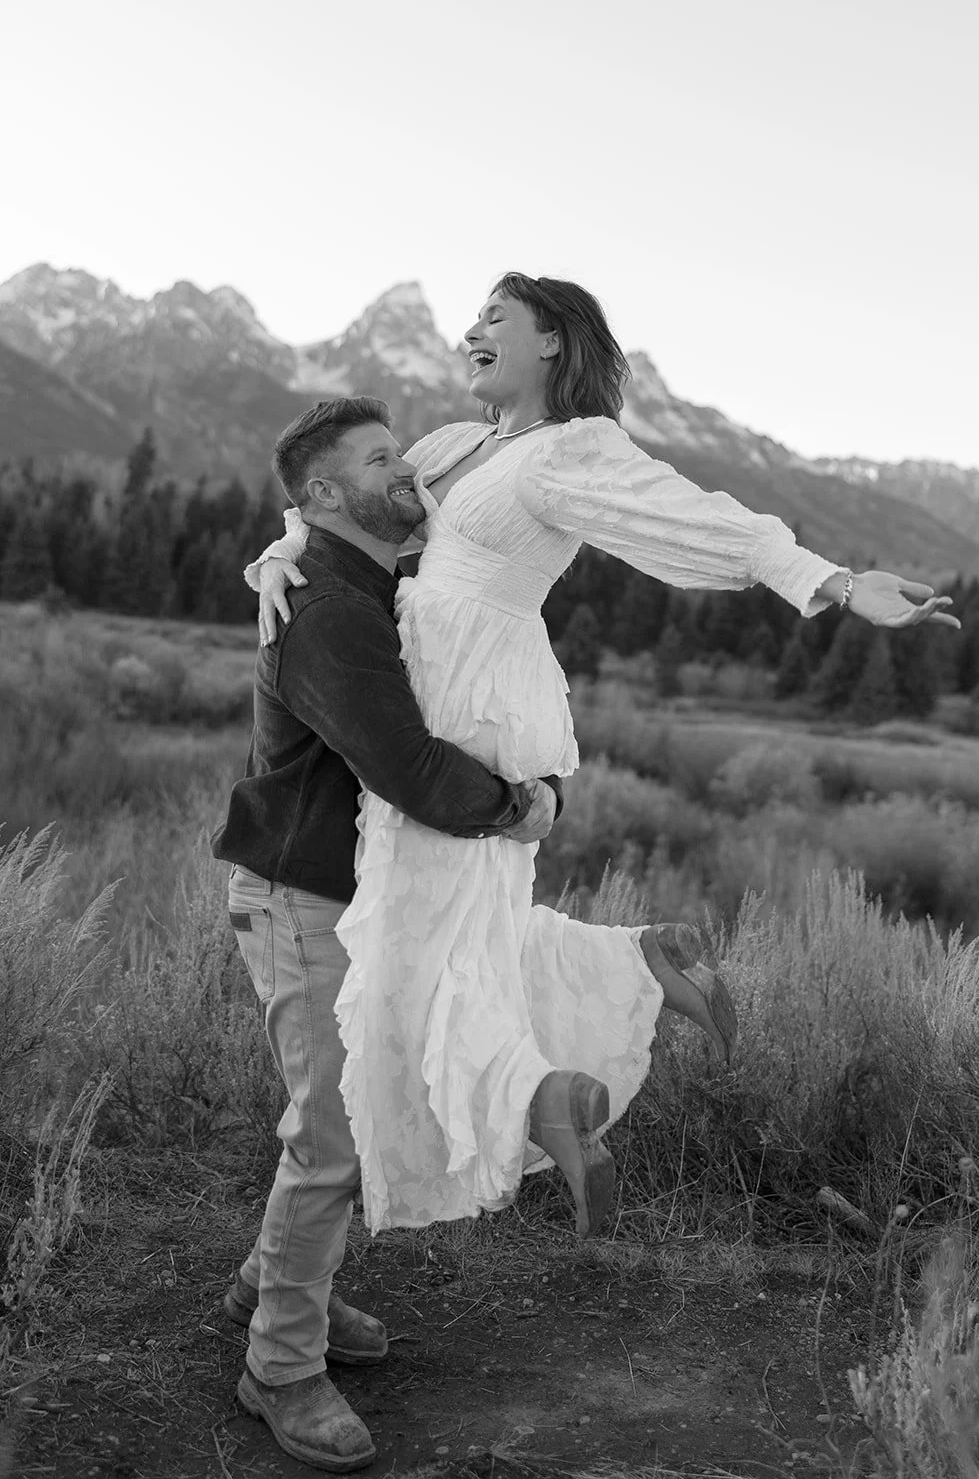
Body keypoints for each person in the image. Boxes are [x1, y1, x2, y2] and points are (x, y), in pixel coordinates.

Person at [253, 273, 959, 1252]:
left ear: (550, 342)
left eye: (493, 319)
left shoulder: (565, 451)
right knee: (455, 935)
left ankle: (536, 1101)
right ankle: (628, 968)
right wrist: (281, 557)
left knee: (416, 948)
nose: (470, 332)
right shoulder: (454, 448)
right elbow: (341, 513)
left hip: (470, 706)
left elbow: (690, 518)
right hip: (436, 687)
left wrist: (830, 581)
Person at [211, 394, 565, 1472]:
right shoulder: (328, 610)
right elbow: (405, 768)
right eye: (381, 461)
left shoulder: (358, 581)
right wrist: (520, 805)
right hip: (299, 894)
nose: (406, 473)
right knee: (331, 1134)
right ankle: (278, 1365)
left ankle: (268, 1285)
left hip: (340, 894)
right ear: (323, 495)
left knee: (346, 1117)